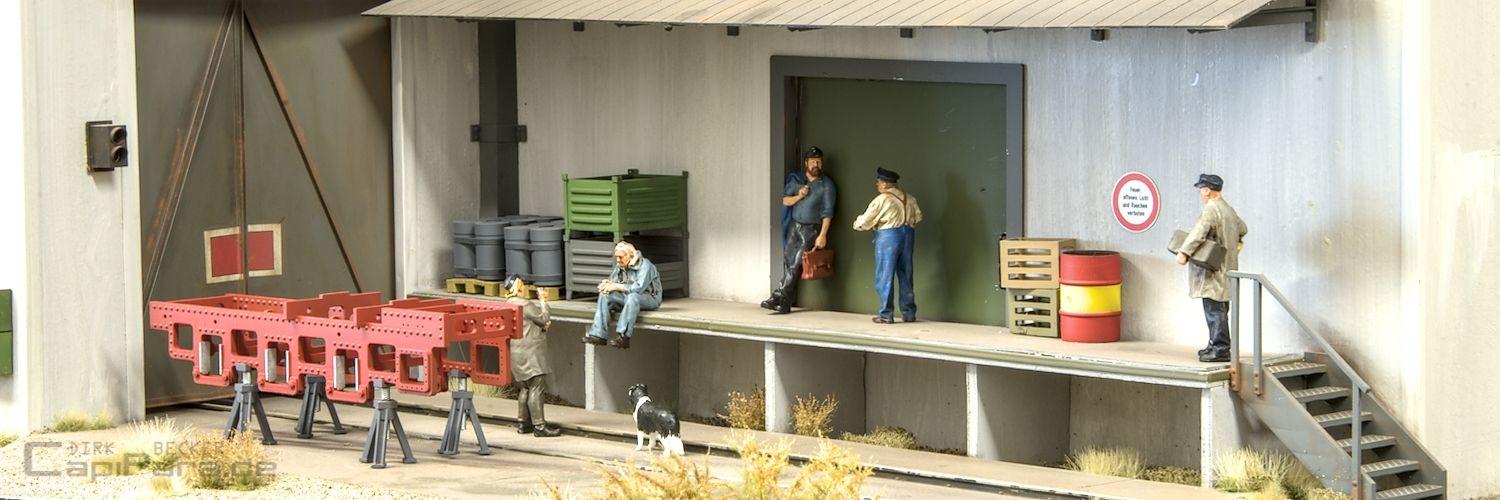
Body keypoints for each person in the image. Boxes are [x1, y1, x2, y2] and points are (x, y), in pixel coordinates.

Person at [1177, 174, 1247, 363]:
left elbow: (1198, 233)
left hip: (1213, 267)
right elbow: (1243, 229)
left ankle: (1220, 348)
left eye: (1201, 189)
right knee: (1221, 308)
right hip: (1228, 266)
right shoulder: (1228, 209)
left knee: (1214, 309)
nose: (1201, 193)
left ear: (1207, 190)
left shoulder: (1211, 208)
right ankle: (1214, 343)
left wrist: (1184, 252)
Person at [761, 146, 836, 314]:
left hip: (811, 230)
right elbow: (785, 201)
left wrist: (823, 235)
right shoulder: (797, 180)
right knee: (789, 261)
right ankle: (785, 304)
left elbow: (827, 212)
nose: (816, 165)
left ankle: (778, 296)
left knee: (796, 263)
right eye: (813, 161)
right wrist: (800, 195)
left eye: (819, 162)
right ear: (806, 163)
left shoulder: (826, 185)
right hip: (794, 226)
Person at [853, 167, 922, 324]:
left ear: (884, 184)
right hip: (908, 236)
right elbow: (917, 218)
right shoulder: (910, 198)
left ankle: (885, 314)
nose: (877, 185)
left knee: (885, 275)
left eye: (878, 182)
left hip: (888, 237)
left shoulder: (882, 199)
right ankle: (909, 313)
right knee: (906, 274)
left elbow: (865, 221)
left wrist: (857, 223)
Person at [502, 275, 560, 437]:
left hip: (516, 352)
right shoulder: (526, 304)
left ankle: (523, 422)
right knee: (537, 387)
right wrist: (543, 301)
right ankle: (539, 426)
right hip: (531, 353)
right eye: (523, 286)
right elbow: (544, 318)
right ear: (519, 287)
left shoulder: (508, 304)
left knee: (525, 388)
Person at [582, 241, 662, 349]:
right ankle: (598, 335)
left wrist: (617, 286)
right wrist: (607, 284)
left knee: (632, 297)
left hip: (649, 297)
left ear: (630, 255)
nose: (618, 260)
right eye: (616, 257)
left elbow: (638, 288)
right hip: (627, 297)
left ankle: (624, 337)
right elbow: (614, 280)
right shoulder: (621, 265)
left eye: (620, 257)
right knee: (605, 295)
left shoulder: (645, 266)